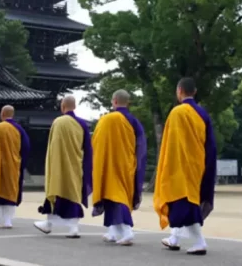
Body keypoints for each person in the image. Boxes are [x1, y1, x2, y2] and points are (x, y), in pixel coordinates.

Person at [153, 77, 217, 255]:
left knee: (184, 203)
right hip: (197, 165)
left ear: (179, 91)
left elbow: (170, 144)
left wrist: (166, 165)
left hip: (179, 165)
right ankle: (174, 238)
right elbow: (210, 144)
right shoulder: (202, 113)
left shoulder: (177, 112)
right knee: (184, 202)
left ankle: (199, 242)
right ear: (194, 92)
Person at [92, 89, 147, 246]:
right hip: (127, 165)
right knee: (114, 197)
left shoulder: (106, 119)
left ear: (114, 101)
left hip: (108, 165)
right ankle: (113, 232)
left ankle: (127, 231)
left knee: (117, 197)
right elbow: (141, 145)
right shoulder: (133, 120)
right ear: (127, 102)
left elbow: (96, 141)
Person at [34, 95, 92, 238]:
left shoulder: (58, 122)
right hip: (75, 166)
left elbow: (53, 146)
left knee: (56, 190)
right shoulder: (82, 124)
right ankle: (73, 227)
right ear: (75, 106)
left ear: (63, 106)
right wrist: (87, 166)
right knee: (73, 193)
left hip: (59, 165)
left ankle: (49, 224)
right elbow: (88, 148)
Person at [0, 105, 30, 228]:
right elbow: (26, 147)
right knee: (10, 192)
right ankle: (8, 221)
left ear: (2, 114)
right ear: (12, 115)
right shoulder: (19, 129)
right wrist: (20, 163)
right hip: (12, 167)